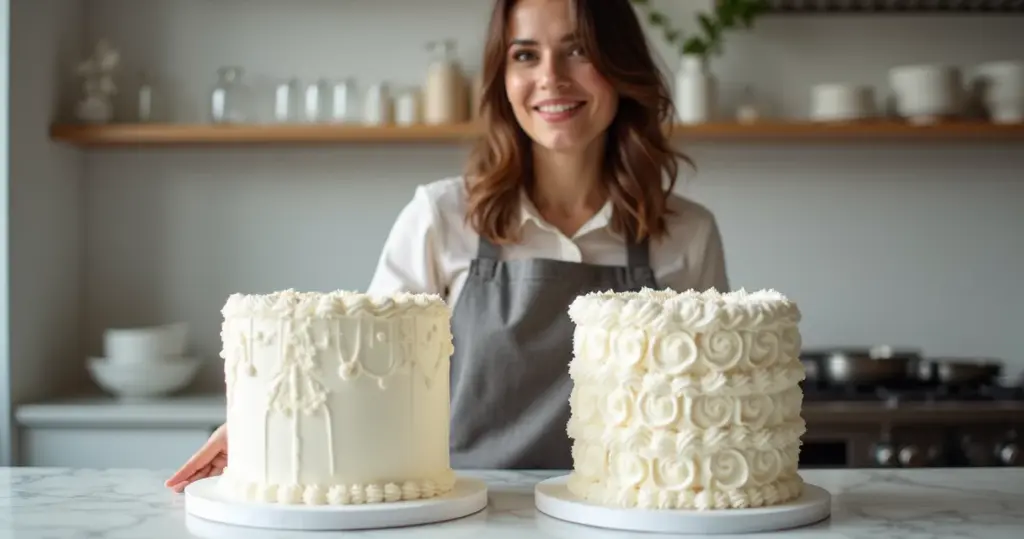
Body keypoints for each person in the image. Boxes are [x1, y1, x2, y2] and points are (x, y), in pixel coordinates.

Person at [165, 0, 728, 493]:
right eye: (525, 55)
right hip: (464, 512)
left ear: (621, 66)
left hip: (625, 517)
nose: (551, 78)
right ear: (501, 78)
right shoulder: (441, 217)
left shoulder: (687, 233)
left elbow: (710, 406)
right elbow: (358, 366)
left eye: (578, 51)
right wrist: (257, 424)